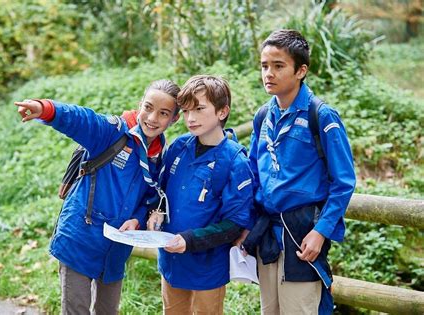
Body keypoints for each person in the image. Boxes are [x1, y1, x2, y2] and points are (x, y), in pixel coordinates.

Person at [14, 79, 180, 315]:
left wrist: (138, 219)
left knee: (107, 311)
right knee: (77, 310)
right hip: (80, 238)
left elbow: (149, 200)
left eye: (163, 113)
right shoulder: (111, 133)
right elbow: (81, 119)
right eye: (148, 107)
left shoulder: (159, 157)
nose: (152, 118)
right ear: (140, 104)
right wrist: (46, 109)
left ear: (174, 119)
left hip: (115, 249)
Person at [242, 29, 356, 314]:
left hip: (303, 236)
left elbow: (343, 182)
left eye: (279, 66)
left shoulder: (322, 116)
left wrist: (321, 231)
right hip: (268, 235)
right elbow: (254, 171)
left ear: (301, 70)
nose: (269, 73)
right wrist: (248, 222)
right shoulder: (263, 116)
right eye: (264, 66)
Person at [147, 75, 254, 314]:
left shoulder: (235, 161)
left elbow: (236, 223)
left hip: (208, 269)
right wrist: (156, 212)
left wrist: (190, 240)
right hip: (172, 262)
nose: (190, 118)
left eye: (199, 109)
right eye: (185, 111)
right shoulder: (178, 147)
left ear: (222, 111)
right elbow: (160, 193)